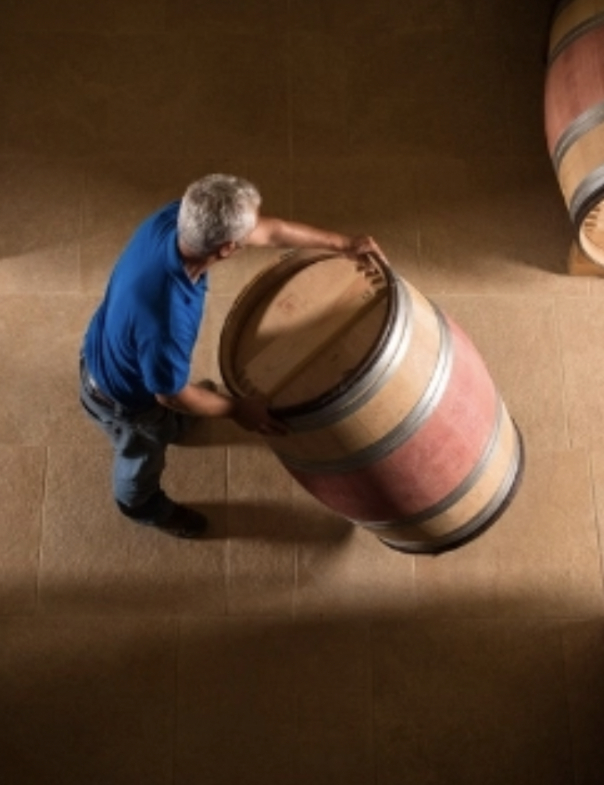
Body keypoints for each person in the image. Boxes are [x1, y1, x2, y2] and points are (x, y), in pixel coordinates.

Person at [79, 173, 383, 539]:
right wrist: (238, 409)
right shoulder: (167, 318)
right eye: (244, 235)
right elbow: (169, 394)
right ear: (226, 249)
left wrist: (345, 244)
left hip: (111, 346)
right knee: (141, 455)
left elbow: (272, 232)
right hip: (123, 402)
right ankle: (141, 506)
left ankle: (176, 423)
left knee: (177, 402)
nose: (255, 233)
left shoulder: (178, 218)